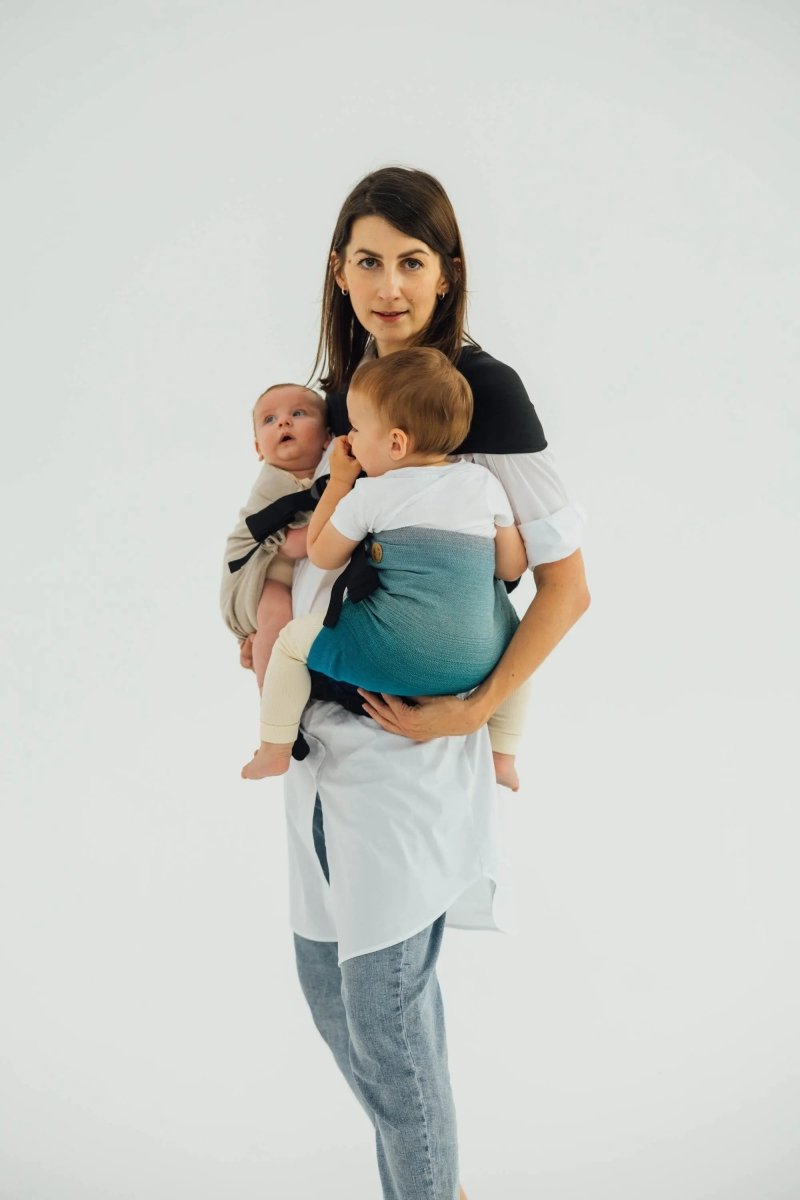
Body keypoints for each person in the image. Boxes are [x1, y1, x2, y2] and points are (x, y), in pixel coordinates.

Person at [278, 167, 590, 1200]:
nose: (389, 285)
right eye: (368, 260)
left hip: (412, 750)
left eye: (411, 262)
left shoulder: (476, 394)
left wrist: (476, 711)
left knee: (387, 1019)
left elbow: (564, 584)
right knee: (336, 998)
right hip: (322, 743)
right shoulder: (343, 397)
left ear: (448, 274)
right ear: (338, 270)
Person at [240, 347, 530, 787]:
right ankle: (502, 755)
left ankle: (275, 748)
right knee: (518, 638)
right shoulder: (483, 483)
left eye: (357, 428)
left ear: (395, 443)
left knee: (291, 642)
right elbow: (510, 566)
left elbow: (321, 553)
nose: (349, 439)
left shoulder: (371, 494)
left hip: (395, 656)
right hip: (478, 663)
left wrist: (340, 481)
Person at [220, 383, 330, 688]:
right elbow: (292, 545)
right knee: (277, 612)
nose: (284, 422)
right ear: (259, 449)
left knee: (290, 621)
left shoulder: (324, 474)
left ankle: (261, 653)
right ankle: (271, 697)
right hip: (252, 575)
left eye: (298, 413)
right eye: (269, 419)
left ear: (327, 437)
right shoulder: (274, 481)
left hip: (282, 572)